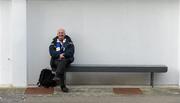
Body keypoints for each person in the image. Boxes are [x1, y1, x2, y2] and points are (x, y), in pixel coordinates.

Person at [49, 28, 74, 92]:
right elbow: (51, 52)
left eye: (62, 33)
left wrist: (63, 55)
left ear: (64, 34)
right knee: (61, 65)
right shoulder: (53, 43)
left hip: (66, 59)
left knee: (62, 62)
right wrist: (59, 55)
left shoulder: (69, 42)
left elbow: (71, 52)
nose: (61, 34)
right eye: (59, 33)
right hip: (56, 60)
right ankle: (63, 87)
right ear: (57, 34)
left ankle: (57, 76)